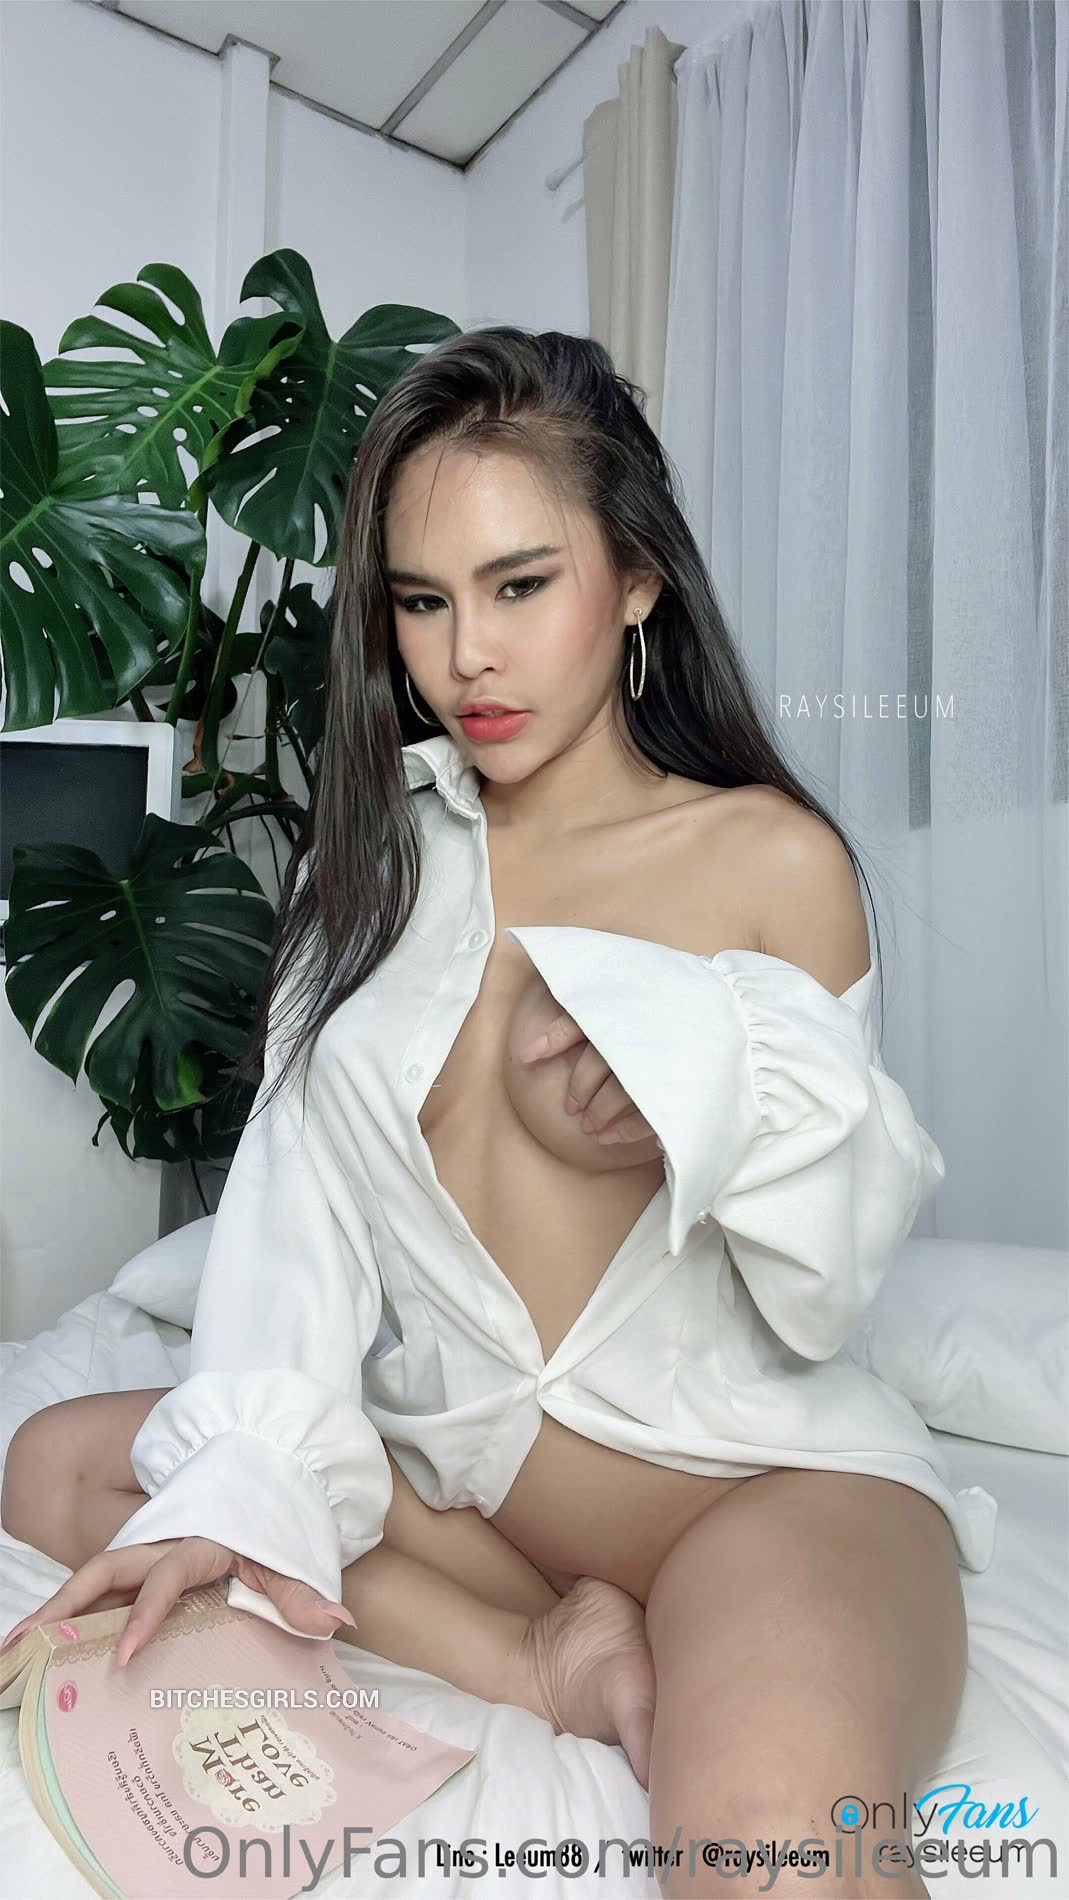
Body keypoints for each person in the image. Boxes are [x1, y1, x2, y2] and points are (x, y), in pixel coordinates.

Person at [2, 329, 996, 1897]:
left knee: (767, 1859)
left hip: (743, 1494)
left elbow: (831, 1270)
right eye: (421, 601)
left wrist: (682, 1122)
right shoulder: (369, 875)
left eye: (520, 586)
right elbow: (292, 1228)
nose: (466, 655)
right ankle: (536, 1655)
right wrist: (247, 1479)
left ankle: (659, 1638)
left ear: (637, 580)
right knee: (64, 1459)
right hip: (464, 1497)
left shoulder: (766, 857)